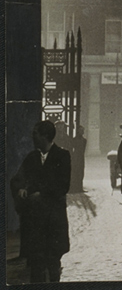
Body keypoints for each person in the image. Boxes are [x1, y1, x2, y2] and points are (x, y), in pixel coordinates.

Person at [10, 120, 71, 282]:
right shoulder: (32, 157)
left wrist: (39, 193)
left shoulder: (63, 156)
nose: (32, 137)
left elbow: (63, 185)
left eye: (35, 134)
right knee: (36, 266)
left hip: (53, 220)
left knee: (53, 265)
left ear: (45, 136)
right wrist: (21, 188)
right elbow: (17, 179)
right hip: (35, 222)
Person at [71, 125, 87, 193]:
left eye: (83, 130)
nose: (82, 131)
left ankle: (80, 187)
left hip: (81, 157)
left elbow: (83, 149)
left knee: (81, 172)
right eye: (81, 130)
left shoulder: (84, 140)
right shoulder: (74, 139)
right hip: (76, 157)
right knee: (75, 172)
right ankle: (75, 187)